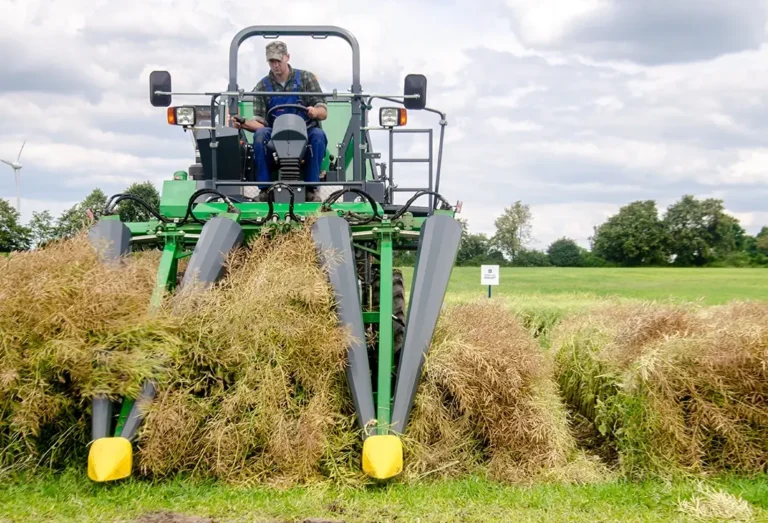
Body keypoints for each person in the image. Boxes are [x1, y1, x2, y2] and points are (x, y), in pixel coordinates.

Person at [231, 41, 328, 202]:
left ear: (287, 57)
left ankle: (311, 189)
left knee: (318, 136)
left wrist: (314, 111)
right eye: (271, 62)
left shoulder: (306, 78)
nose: (275, 65)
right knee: (260, 135)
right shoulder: (262, 86)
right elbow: (261, 123)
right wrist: (244, 123)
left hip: (305, 131)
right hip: (276, 135)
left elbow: (323, 112)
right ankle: (264, 189)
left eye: (278, 61)